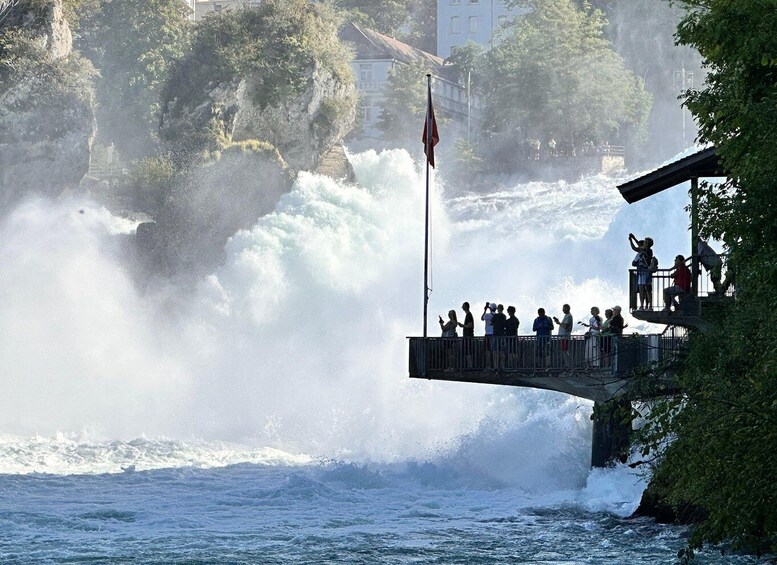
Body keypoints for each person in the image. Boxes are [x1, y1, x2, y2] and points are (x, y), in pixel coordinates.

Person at [629, 233, 654, 309]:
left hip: (644, 271)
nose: (644, 243)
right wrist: (633, 238)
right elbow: (640, 246)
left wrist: (631, 240)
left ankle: (645, 305)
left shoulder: (646, 250)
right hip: (643, 271)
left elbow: (635, 248)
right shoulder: (647, 250)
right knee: (644, 289)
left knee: (644, 289)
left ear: (648, 244)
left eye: (646, 242)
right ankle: (646, 305)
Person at [490, 304, 507, 369]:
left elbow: (491, 323)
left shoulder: (496, 316)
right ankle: (502, 366)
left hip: (495, 335)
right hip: (502, 335)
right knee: (501, 351)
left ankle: (496, 366)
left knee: (495, 351)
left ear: (498, 309)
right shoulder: (504, 316)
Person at [458, 302, 474, 368]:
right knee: (467, 352)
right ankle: (469, 366)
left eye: (463, 306)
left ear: (466, 307)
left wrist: (463, 325)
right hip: (467, 336)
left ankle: (470, 366)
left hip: (468, 336)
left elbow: (470, 325)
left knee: (468, 352)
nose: (462, 307)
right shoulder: (468, 315)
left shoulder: (469, 315)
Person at [481, 302, 496, 368]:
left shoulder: (487, 315)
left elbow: (482, 318)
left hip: (488, 335)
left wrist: (485, 310)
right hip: (495, 335)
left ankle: (488, 366)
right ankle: (494, 366)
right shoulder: (497, 315)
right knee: (494, 351)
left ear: (490, 308)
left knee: (487, 351)